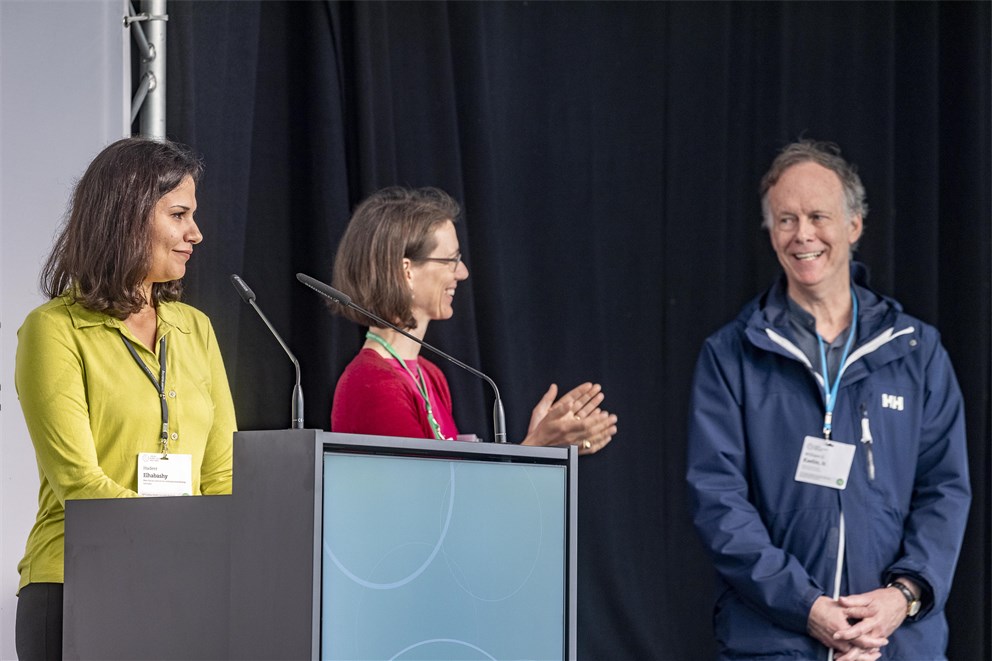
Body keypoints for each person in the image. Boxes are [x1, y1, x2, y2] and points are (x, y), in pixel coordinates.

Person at [686, 140, 970, 660]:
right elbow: (719, 501)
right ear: (771, 233)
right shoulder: (730, 355)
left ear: (854, 225)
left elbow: (944, 491)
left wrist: (900, 599)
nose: (803, 235)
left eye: (819, 216)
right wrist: (808, 607)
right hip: (774, 642)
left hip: (895, 643)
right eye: (786, 219)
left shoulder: (917, 351)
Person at [14, 137, 237, 660]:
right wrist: (188, 537)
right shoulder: (55, 330)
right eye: (179, 215)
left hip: (182, 586)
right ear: (127, 215)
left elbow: (222, 476)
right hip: (76, 584)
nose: (195, 234)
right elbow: (79, 484)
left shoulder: (196, 329)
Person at [329, 186, 617, 453]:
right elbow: (428, 501)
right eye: (450, 260)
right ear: (407, 270)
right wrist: (537, 445)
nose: (462, 272)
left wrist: (543, 447)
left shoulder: (430, 376)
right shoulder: (372, 384)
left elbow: (457, 490)